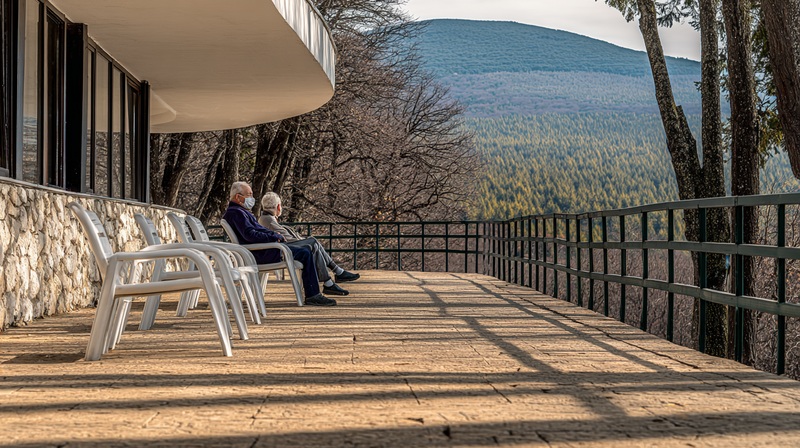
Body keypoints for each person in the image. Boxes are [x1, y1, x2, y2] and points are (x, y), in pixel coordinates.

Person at [222, 182, 336, 306]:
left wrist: (275, 236)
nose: (252, 199)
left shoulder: (240, 212)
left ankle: (316, 292)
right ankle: (313, 295)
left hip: (264, 250)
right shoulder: (236, 213)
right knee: (305, 252)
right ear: (238, 197)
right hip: (261, 253)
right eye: (249, 195)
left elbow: (254, 233)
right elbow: (250, 235)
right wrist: (275, 236)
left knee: (306, 248)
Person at [258, 192, 360, 296]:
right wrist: (303, 241)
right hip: (285, 249)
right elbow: (288, 239)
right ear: (278, 206)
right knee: (313, 242)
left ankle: (332, 279)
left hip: (284, 248)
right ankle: (336, 274)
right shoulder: (268, 220)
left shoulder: (266, 218)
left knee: (313, 244)